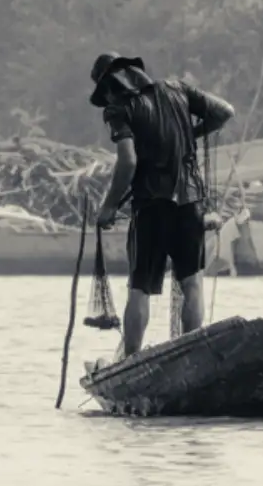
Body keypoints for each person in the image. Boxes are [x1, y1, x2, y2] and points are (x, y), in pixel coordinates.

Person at [89, 51, 235, 356]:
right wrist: (188, 134)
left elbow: (127, 161)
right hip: (190, 203)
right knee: (192, 282)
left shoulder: (119, 109)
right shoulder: (177, 90)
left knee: (140, 288)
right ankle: (190, 356)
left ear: (109, 87)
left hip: (152, 207)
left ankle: (131, 360)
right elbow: (224, 111)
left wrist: (109, 207)